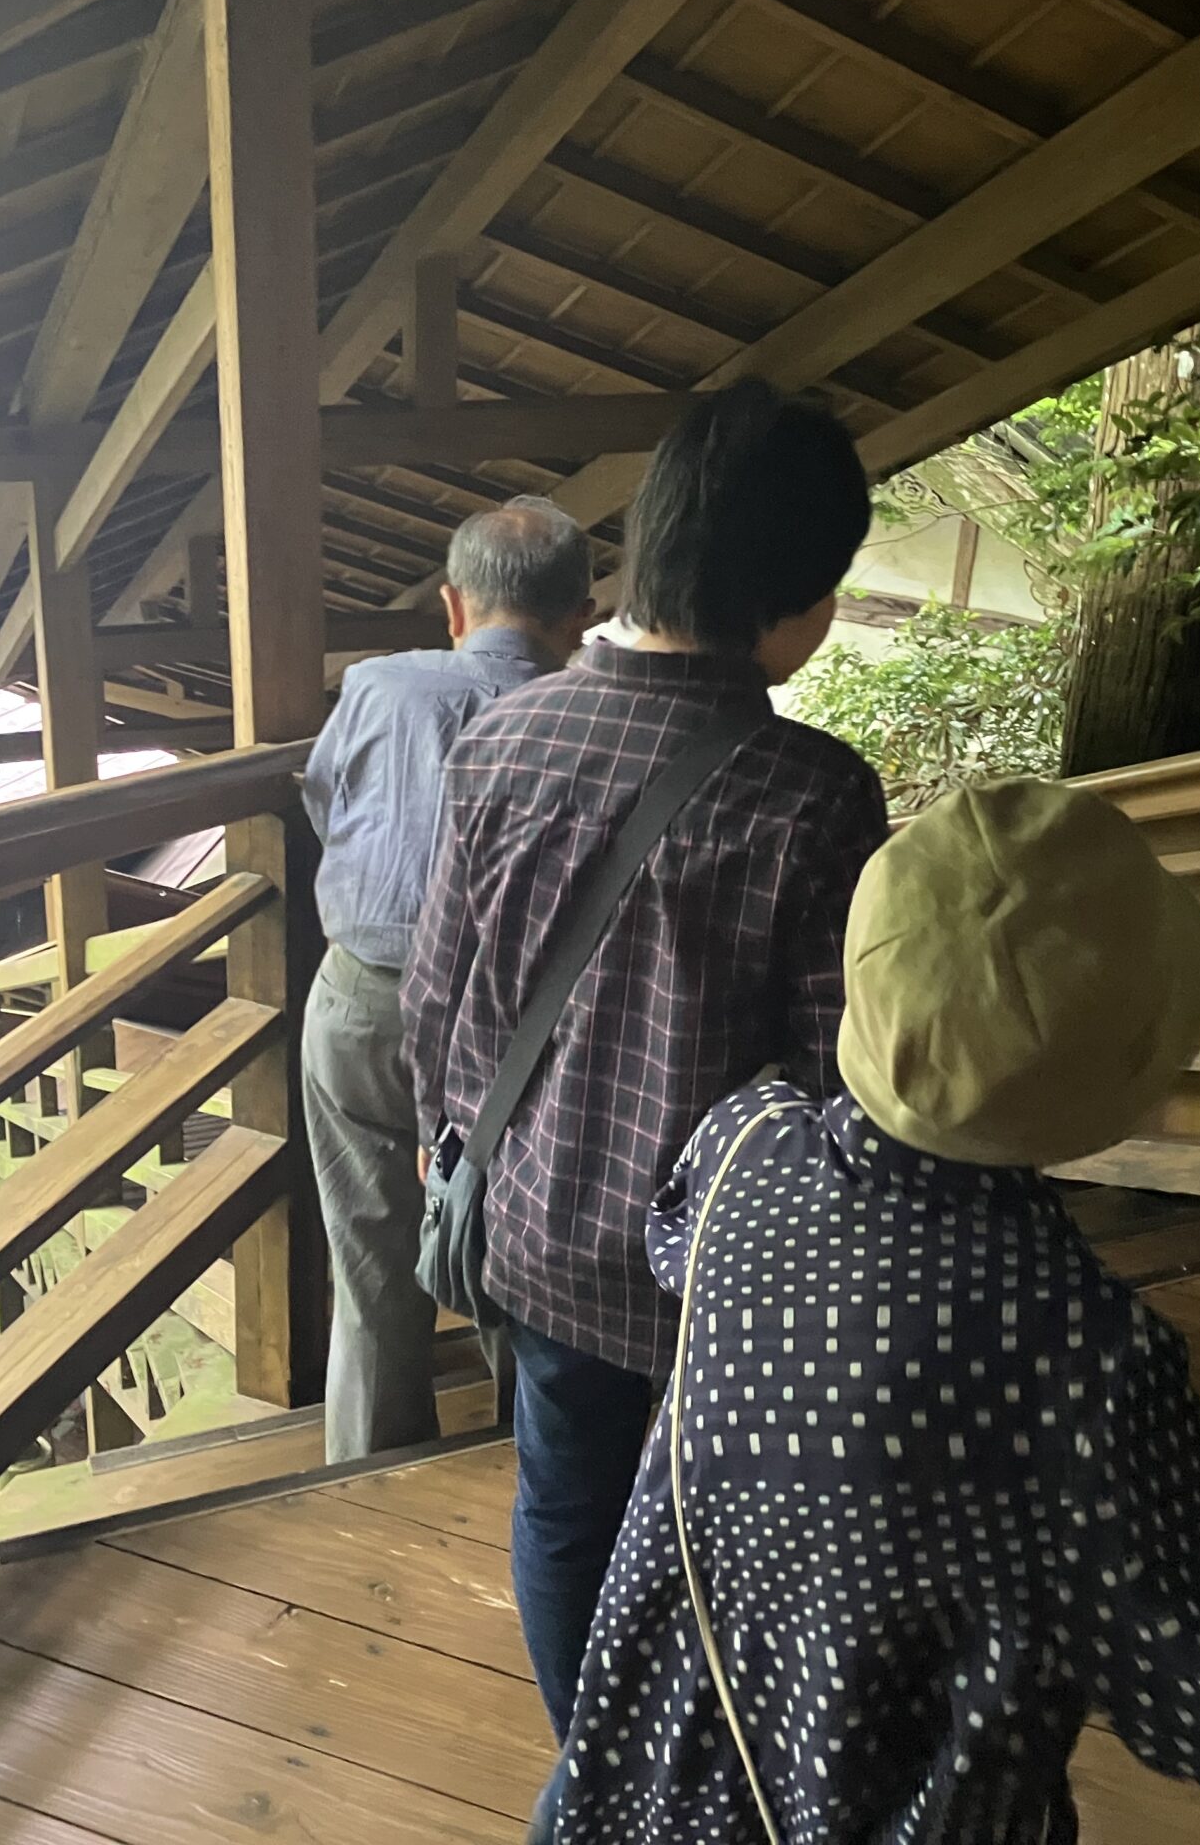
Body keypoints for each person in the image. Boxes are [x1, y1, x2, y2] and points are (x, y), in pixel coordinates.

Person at [531, 779, 1200, 1843]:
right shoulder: (1081, 1362)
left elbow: (677, 1253)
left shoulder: (741, 1152)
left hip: (623, 1802)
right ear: (1130, 1073)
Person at [402, 379, 892, 1738]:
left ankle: (595, 1760)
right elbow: (833, 1079)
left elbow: (437, 1004)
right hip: (719, 1275)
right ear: (791, 598)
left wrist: (460, 1153)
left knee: (563, 1506)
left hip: (541, 1234)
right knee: (714, 1528)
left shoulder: (500, 738)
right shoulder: (815, 793)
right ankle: (695, 1765)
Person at [298, 497, 594, 1464]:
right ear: (577, 615)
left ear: (454, 606)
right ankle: (527, 1456)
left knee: (370, 1264)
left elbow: (321, 799)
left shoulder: (379, 686)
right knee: (515, 1243)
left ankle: (369, 1475)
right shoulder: (589, 711)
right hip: (517, 1026)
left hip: (360, 995)